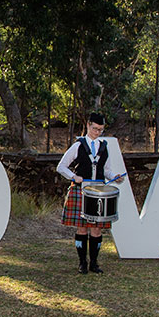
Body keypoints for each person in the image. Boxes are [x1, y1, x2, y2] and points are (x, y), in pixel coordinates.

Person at [56, 112, 122, 274]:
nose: (97, 132)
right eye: (94, 128)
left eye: (100, 130)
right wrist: (74, 176)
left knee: (96, 229)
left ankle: (94, 263)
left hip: (99, 192)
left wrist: (115, 177)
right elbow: (61, 166)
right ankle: (82, 263)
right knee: (82, 228)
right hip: (81, 191)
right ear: (88, 125)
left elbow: (107, 171)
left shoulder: (104, 147)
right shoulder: (78, 146)